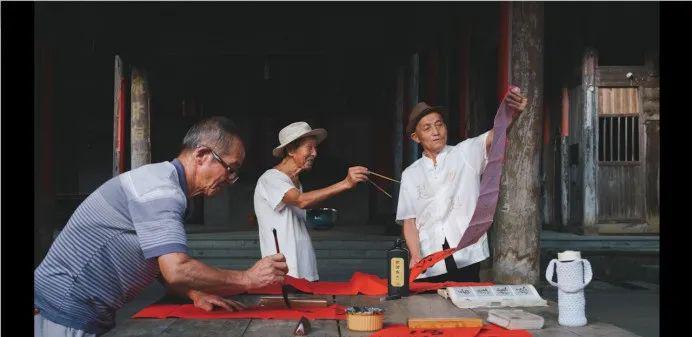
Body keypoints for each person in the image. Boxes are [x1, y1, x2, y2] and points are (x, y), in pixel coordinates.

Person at [34, 116, 288, 337]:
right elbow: (176, 269)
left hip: (82, 310)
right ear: (201, 155)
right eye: (230, 169)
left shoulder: (169, 187)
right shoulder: (161, 191)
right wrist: (247, 278)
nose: (230, 180)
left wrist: (193, 293)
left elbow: (156, 259)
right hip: (61, 310)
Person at [396, 88, 528, 282]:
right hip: (428, 256)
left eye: (439, 125)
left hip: (465, 253)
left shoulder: (465, 153)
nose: (435, 132)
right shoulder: (410, 174)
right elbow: (409, 221)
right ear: (416, 137)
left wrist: (512, 115)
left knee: (466, 306)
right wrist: (415, 254)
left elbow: (494, 135)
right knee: (429, 308)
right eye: (427, 128)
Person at [253, 121, 368, 281]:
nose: (315, 153)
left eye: (316, 148)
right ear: (291, 150)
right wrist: (345, 183)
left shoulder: (295, 182)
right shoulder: (271, 178)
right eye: (309, 147)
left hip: (305, 268)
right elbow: (301, 201)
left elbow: (296, 214)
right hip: (286, 272)